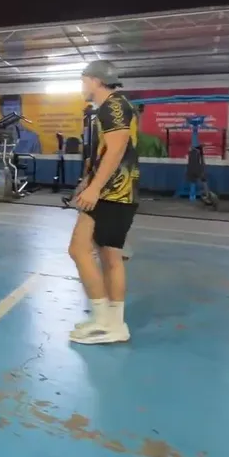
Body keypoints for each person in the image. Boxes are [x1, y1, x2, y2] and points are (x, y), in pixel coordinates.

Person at [67, 60, 140, 344]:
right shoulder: (113, 106)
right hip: (116, 191)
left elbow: (117, 148)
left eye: (84, 80)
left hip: (112, 192)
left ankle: (104, 320)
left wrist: (95, 188)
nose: (82, 85)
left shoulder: (114, 105)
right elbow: (107, 150)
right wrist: (89, 179)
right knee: (110, 258)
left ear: (95, 80)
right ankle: (113, 323)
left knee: (79, 249)